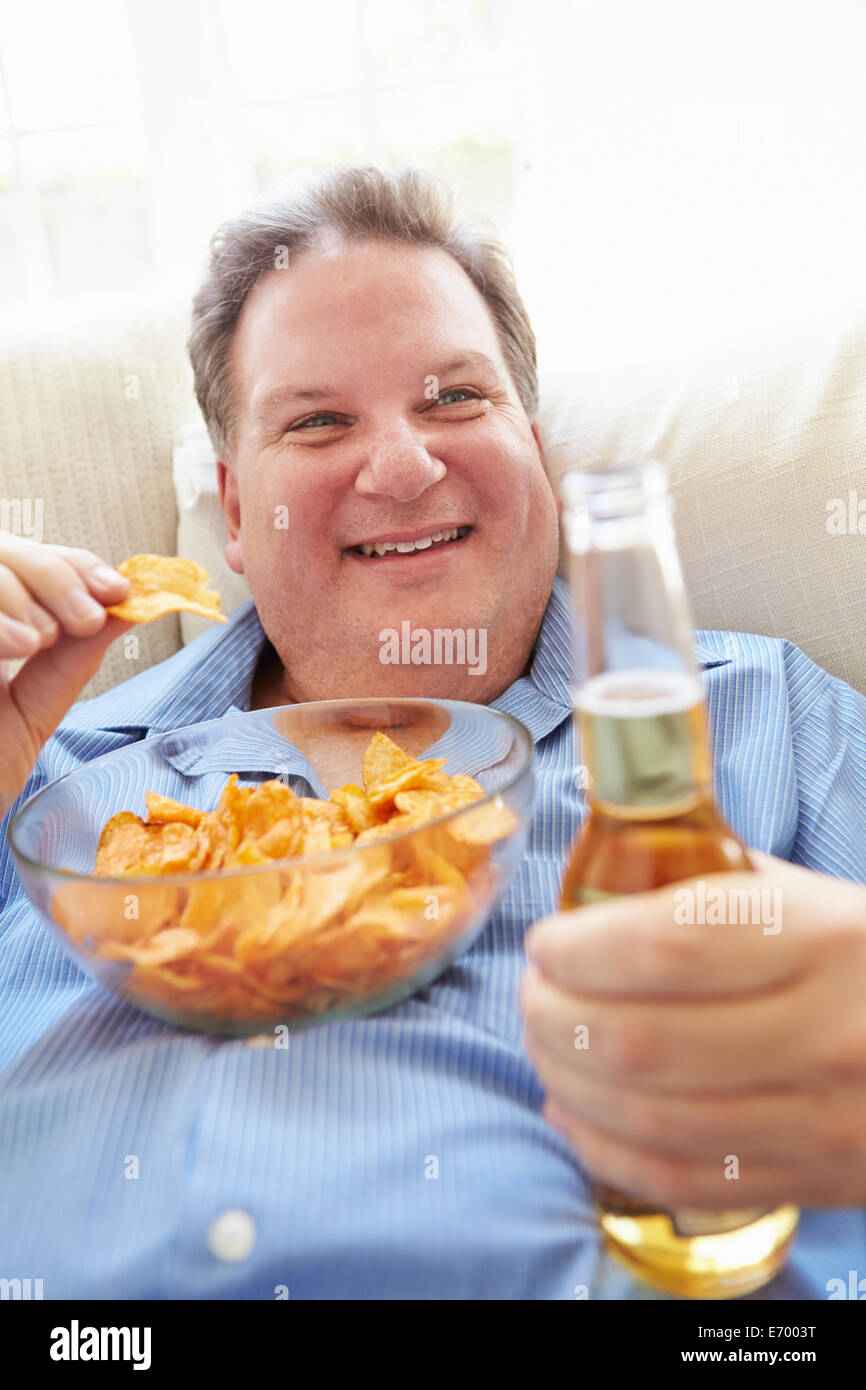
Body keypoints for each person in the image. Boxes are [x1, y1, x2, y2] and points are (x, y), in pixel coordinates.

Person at [0, 165, 863, 1300]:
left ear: (539, 461)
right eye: (316, 421)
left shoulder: (764, 721)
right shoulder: (43, 767)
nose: (405, 466)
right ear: (234, 517)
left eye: (456, 398)